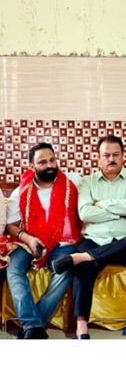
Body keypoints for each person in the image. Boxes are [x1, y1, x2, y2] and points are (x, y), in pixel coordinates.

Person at [52, 134, 126, 339]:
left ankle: (83, 256)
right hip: (95, 240)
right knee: (83, 268)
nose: (111, 159)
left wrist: (101, 204)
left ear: (123, 156)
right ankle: (81, 323)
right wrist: (119, 210)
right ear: (98, 157)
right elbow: (85, 213)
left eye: (116, 155)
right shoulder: (88, 182)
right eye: (106, 155)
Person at [5, 143, 82, 339]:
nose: (49, 165)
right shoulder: (22, 191)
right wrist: (29, 239)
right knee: (12, 268)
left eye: (52, 160)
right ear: (32, 166)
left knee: (63, 269)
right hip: (31, 242)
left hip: (65, 243)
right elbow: (11, 225)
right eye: (42, 162)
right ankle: (34, 326)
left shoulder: (73, 182)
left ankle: (32, 327)